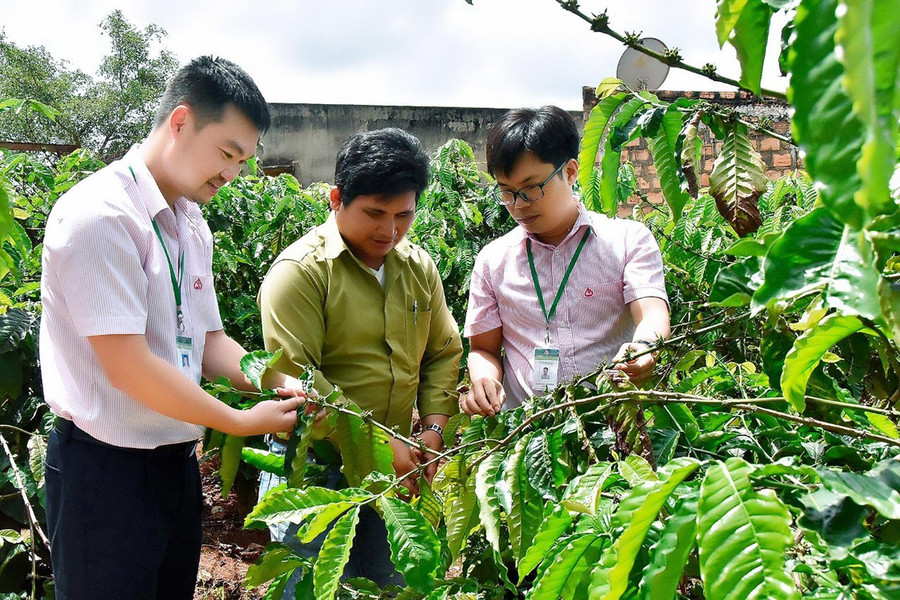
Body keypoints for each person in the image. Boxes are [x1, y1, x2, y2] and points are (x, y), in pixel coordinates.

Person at [39, 56, 305, 600]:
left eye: (242, 162)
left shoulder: (190, 224)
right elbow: (127, 367)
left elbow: (209, 342)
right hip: (104, 472)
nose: (231, 173)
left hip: (174, 466)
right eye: (226, 153)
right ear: (180, 122)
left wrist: (274, 381)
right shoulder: (101, 215)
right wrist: (235, 420)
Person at [257, 127, 463, 588]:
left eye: (403, 215)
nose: (389, 230)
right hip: (316, 473)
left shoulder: (418, 267)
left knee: (389, 587)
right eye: (374, 213)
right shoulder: (300, 275)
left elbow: (443, 352)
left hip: (395, 472)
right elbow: (299, 384)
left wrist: (431, 429)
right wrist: (385, 447)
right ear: (336, 199)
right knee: (314, 588)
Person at [461, 105, 670, 416]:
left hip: (615, 423)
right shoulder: (493, 261)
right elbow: (483, 349)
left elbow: (652, 314)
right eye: (507, 192)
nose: (518, 206)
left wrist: (643, 349)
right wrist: (484, 380)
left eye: (531, 189)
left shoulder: (628, 241)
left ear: (570, 172)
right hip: (528, 434)